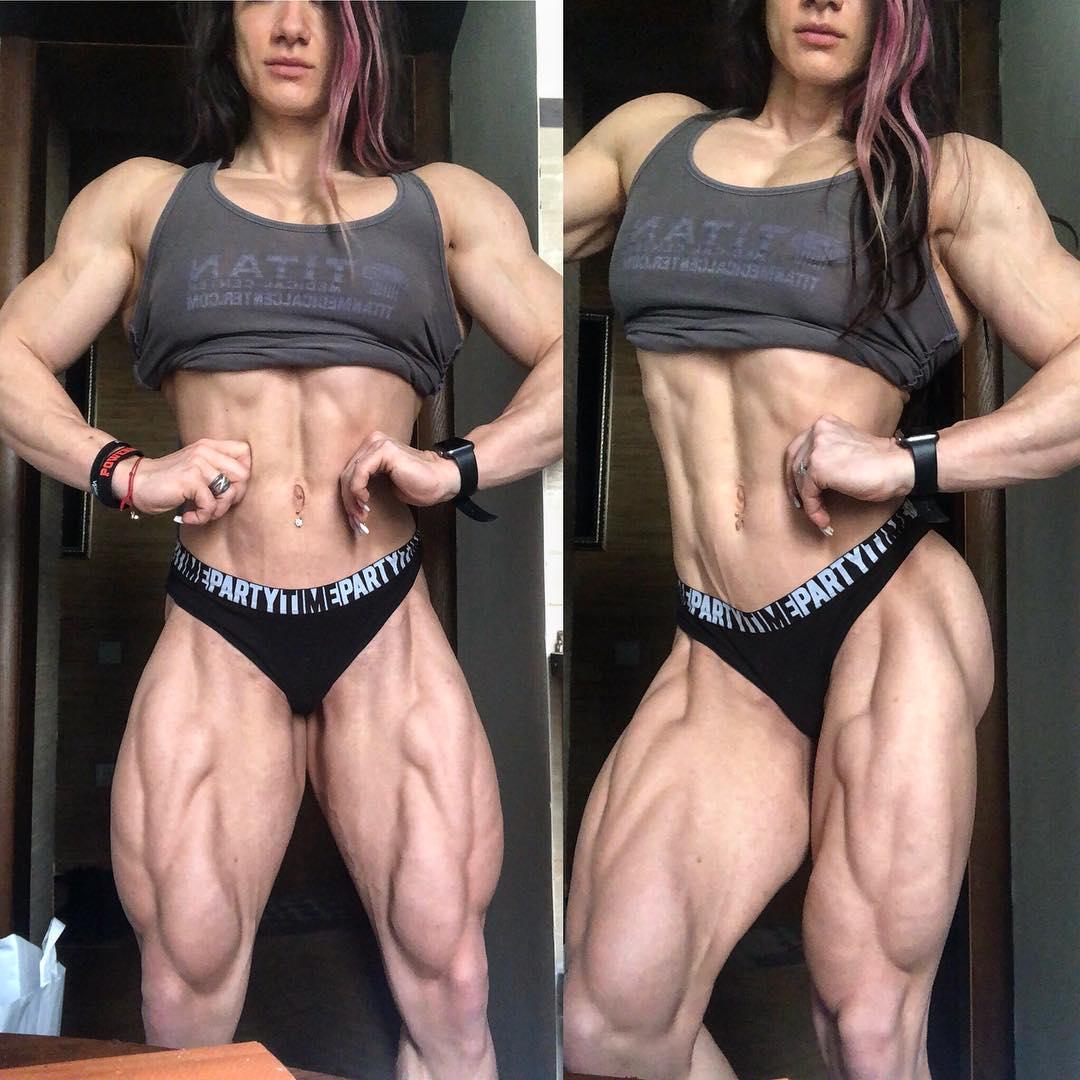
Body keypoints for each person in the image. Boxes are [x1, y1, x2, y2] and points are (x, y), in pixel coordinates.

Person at [0, 2, 560, 1078]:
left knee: (451, 981)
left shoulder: (445, 206)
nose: (295, 23)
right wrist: (126, 470)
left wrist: (458, 463)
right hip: (222, 622)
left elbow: (561, 354)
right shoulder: (145, 202)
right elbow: (13, 354)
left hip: (382, 619)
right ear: (227, 25)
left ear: (360, 32)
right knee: (184, 988)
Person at [563, 0, 1080, 1077]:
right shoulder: (649, 141)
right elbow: (447, 247)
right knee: (608, 1022)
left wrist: (910, 461)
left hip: (883, 610)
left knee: (867, 1025)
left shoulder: (945, 177)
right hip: (721, 644)